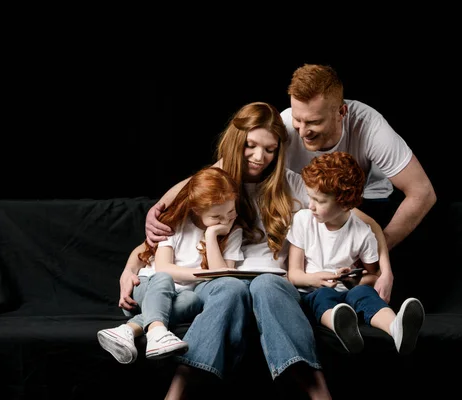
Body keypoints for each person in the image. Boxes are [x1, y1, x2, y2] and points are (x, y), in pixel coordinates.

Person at [131, 102, 390, 399]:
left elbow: (360, 220)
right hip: (223, 284)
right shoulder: (216, 184)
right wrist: (131, 265)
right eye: (250, 146)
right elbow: (167, 228)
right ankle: (178, 390)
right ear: (236, 142)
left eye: (270, 149)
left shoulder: (292, 185)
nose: (259, 157)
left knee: (267, 284)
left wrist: (385, 266)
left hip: (275, 284)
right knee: (229, 288)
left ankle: (318, 392)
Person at [281, 63, 437, 251]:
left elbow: (422, 192)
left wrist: (379, 248)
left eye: (314, 122)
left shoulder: (370, 126)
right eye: (297, 119)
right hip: (304, 207)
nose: (303, 131)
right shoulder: (284, 127)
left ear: (341, 112)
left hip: (365, 202)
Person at [98, 166, 244, 364]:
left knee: (193, 301)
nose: (226, 220)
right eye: (216, 217)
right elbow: (164, 268)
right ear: (196, 209)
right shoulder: (176, 224)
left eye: (231, 211)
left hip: (177, 298)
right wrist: (205, 273)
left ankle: (127, 330)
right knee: (164, 279)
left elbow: (223, 276)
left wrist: (211, 235)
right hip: (147, 288)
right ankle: (157, 331)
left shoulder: (233, 232)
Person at [287, 151, 425, 355]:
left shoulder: (362, 233)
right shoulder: (303, 221)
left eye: (320, 201)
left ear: (344, 203)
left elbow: (372, 276)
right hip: (314, 291)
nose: (311, 205)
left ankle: (396, 328)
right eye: (310, 197)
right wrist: (316, 279)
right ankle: (341, 326)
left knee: (363, 293)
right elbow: (294, 274)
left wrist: (353, 280)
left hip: (347, 290)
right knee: (323, 296)